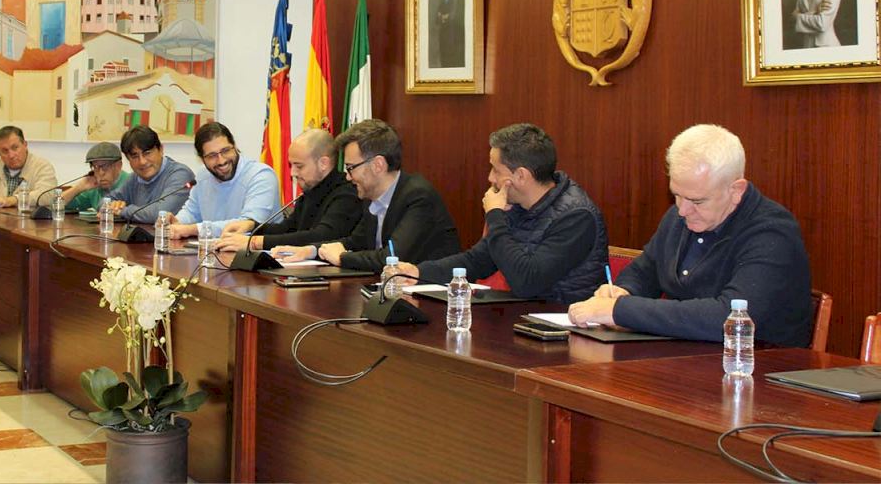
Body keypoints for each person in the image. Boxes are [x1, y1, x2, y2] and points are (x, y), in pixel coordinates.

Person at [567, 124, 812, 346]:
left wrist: (620, 310)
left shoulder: (772, 232)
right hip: (685, 356)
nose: (682, 210)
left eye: (697, 201)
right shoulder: (680, 217)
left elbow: (729, 317)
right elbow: (644, 272)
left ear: (736, 190)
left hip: (759, 366)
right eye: (676, 195)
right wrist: (622, 291)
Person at [397, 123, 608, 303]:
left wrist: (495, 215)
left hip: (565, 326)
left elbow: (527, 282)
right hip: (524, 318)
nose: (490, 178)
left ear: (521, 176)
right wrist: (419, 272)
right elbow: (478, 260)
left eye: (496, 170)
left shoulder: (576, 216)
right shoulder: (516, 204)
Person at [272, 118, 460, 271]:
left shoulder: (418, 197)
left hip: (436, 296)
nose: (347, 177)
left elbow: (391, 258)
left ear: (378, 165)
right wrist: (310, 250)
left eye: (351, 168)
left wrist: (342, 258)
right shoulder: (370, 197)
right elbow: (355, 242)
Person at [214, 128, 363, 252]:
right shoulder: (311, 190)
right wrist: (252, 226)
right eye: (291, 165)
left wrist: (255, 242)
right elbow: (288, 228)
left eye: (299, 166)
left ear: (323, 163)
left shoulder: (347, 193)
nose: (292, 173)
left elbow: (322, 236)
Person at [167, 122, 280, 239]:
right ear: (202, 159)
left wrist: (191, 229)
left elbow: (246, 225)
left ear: (234, 146)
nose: (221, 161)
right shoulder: (203, 175)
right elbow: (192, 212)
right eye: (212, 156)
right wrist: (177, 222)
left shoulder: (261, 175)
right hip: (216, 247)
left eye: (225, 151)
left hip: (258, 249)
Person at [108, 126, 196, 223]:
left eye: (147, 153)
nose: (142, 162)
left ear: (161, 149)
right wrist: (114, 205)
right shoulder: (134, 178)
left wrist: (122, 211)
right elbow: (105, 202)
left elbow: (159, 214)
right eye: (135, 156)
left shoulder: (180, 174)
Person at [60, 142, 130, 212]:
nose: (101, 173)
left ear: (118, 165)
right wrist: (78, 188)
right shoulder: (94, 187)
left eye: (105, 166)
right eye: (96, 167)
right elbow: (59, 204)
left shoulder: (131, 183)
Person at [435, 0, 464, 67]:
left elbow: (452, 15)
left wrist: (442, 16)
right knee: (443, 58)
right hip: (442, 34)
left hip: (451, 34)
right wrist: (442, 16)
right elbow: (437, 17)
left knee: (450, 59)